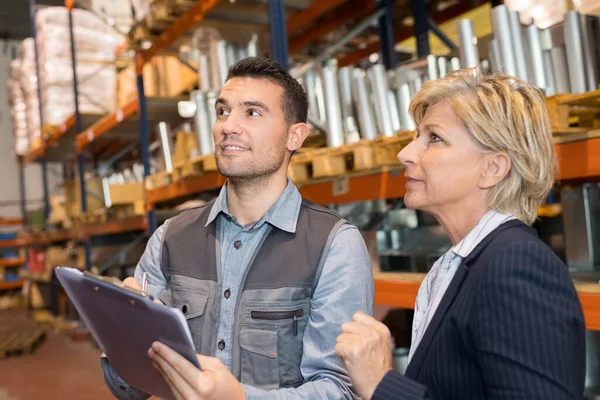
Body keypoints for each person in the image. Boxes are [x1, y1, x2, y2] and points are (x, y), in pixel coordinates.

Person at [101, 57, 374, 399]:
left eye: (252, 112)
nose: (229, 126)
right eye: (222, 111)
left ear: (295, 136)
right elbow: (129, 390)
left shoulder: (334, 246)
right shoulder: (170, 238)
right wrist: (124, 335)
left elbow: (341, 390)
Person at [335, 68, 586, 400]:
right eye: (416, 136)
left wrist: (382, 385)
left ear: (492, 168)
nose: (405, 154)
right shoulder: (459, 266)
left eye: (434, 138)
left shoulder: (515, 265)